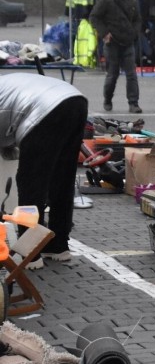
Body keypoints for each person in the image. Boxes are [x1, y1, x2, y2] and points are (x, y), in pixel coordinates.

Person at [0, 74, 88, 268]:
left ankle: (30, 254)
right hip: (74, 101)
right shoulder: (6, 86)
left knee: (31, 182)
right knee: (62, 178)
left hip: (44, 110)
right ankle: (58, 246)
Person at [89, 0, 143, 114]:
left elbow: (138, 20)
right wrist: (104, 33)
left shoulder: (132, 1)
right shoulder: (106, 0)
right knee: (113, 74)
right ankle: (107, 99)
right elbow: (94, 17)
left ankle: (133, 103)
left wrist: (134, 32)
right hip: (112, 43)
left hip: (128, 42)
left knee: (131, 74)